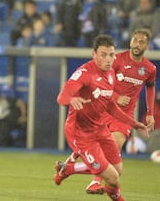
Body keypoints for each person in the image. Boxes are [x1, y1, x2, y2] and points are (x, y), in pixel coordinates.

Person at [54, 34, 149, 201]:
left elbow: (111, 106)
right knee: (112, 178)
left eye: (111, 55)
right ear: (94, 54)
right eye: (103, 55)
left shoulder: (111, 74)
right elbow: (61, 97)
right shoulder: (84, 73)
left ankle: (67, 169)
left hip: (99, 129)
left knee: (117, 170)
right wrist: (71, 99)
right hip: (80, 134)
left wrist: (134, 124)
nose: (108, 59)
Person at [142, 87, 160, 153]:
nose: (159, 97)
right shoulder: (153, 106)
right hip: (152, 133)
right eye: (158, 95)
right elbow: (145, 120)